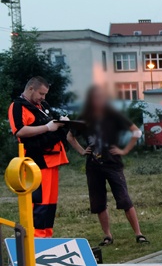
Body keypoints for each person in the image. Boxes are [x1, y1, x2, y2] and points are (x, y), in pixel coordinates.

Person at [66, 86, 147, 246]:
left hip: (113, 164)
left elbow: (136, 132)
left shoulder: (113, 116)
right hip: (93, 166)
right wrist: (82, 151)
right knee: (98, 201)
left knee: (124, 199)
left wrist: (124, 151)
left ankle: (139, 234)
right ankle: (107, 236)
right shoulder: (84, 118)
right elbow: (69, 136)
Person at [7, 77, 69, 237]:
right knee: (39, 202)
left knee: (50, 203)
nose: (43, 97)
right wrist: (47, 127)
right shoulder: (18, 106)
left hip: (52, 160)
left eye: (45, 94)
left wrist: (61, 123)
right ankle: (36, 239)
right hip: (36, 162)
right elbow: (19, 131)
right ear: (31, 89)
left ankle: (47, 235)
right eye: (41, 93)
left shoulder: (42, 106)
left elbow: (51, 125)